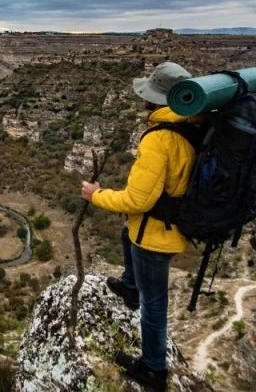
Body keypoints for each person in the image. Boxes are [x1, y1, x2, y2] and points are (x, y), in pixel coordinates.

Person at [80, 61, 201, 392]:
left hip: (157, 235)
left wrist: (96, 195)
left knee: (154, 304)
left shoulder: (159, 139)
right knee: (125, 233)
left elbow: (137, 202)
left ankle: (153, 368)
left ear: (154, 99)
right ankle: (130, 285)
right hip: (169, 224)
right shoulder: (192, 126)